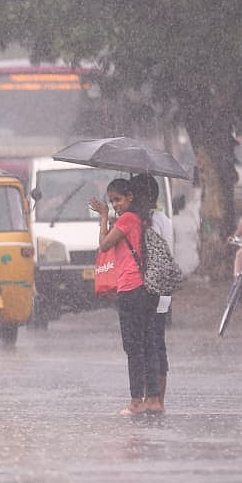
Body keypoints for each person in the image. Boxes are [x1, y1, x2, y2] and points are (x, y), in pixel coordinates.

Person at [90, 178, 161, 416]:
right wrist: (112, 218)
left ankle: (136, 402)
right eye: (112, 201)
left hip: (131, 289)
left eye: (117, 200)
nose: (115, 205)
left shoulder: (128, 219)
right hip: (147, 289)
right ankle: (153, 399)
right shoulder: (139, 218)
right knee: (148, 344)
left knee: (133, 347)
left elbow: (103, 245)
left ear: (130, 197)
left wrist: (103, 217)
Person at [131, 173, 174, 412]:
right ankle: (156, 398)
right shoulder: (163, 219)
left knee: (152, 342)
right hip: (164, 289)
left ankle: (154, 398)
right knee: (156, 341)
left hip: (152, 289)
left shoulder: (151, 222)